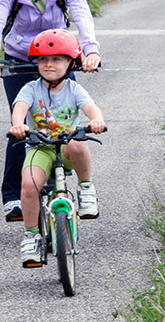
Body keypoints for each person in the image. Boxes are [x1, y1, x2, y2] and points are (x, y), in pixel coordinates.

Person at [0, 0, 101, 222]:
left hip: (58, 59)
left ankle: (76, 180)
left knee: (65, 123)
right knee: (21, 126)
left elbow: (82, 16)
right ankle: (13, 197)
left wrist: (91, 51)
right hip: (20, 59)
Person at [8, 29, 105, 268]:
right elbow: (20, 108)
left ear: (71, 63)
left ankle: (86, 187)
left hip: (66, 147)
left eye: (56, 59)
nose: (48, 64)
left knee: (79, 142)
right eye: (43, 59)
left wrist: (96, 120)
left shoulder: (73, 89)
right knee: (29, 185)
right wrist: (18, 125)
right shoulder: (30, 89)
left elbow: (90, 108)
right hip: (40, 148)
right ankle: (32, 236)